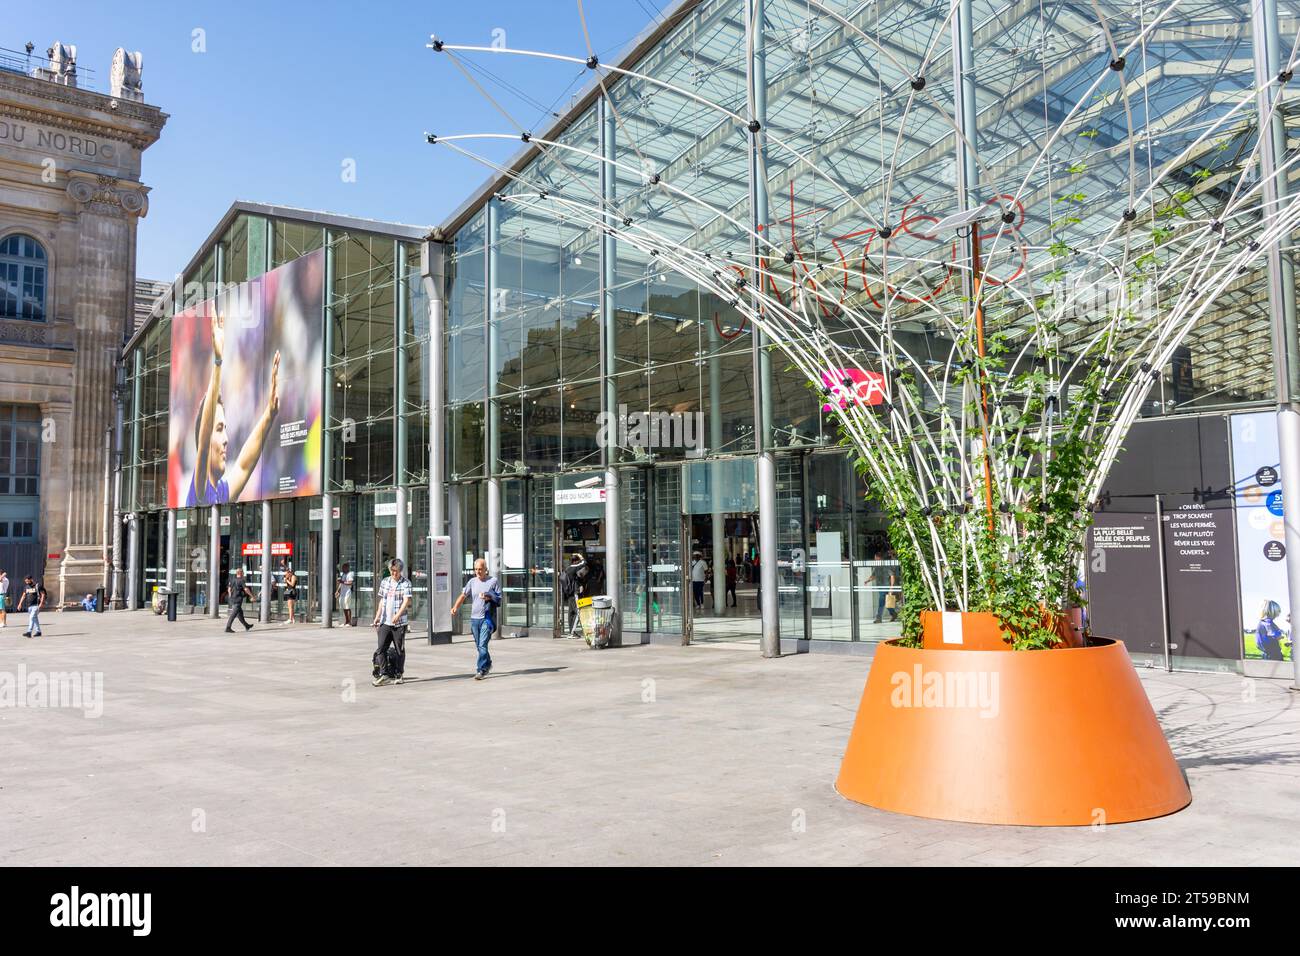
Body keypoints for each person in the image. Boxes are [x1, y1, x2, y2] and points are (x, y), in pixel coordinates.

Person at [187, 310, 281, 506]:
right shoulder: (200, 490)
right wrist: (218, 362)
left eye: (225, 429)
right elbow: (204, 444)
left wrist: (269, 414)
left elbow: (244, 466)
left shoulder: (221, 491)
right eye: (220, 429)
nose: (226, 439)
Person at [451, 558, 502, 680]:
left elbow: (499, 598)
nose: (478, 572)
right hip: (474, 619)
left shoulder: (493, 581)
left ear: (486, 569)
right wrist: (455, 607)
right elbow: (463, 595)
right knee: (479, 646)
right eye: (476, 569)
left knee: (482, 645)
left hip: (487, 618)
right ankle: (488, 662)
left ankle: (481, 670)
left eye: (480, 569)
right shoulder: (472, 582)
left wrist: (489, 597)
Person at [372, 558, 412, 686]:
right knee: (380, 649)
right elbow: (382, 601)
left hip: (399, 623)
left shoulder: (405, 583)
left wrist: (398, 615)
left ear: (401, 571)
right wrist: (377, 617)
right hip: (385, 621)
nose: (394, 573)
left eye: (397, 571)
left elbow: (406, 601)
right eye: (392, 570)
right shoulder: (385, 582)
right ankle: (384, 674)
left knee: (399, 649)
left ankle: (399, 674)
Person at [561, 553, 588, 637]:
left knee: (571, 612)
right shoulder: (573, 567)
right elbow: (584, 563)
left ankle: (571, 631)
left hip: (569, 594)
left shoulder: (568, 568)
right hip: (574, 593)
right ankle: (572, 632)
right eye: (578, 561)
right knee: (578, 611)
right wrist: (581, 556)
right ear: (575, 561)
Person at [225, 567, 254, 633]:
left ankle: (247, 626)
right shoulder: (241, 580)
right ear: (240, 573)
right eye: (243, 572)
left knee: (240, 614)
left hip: (233, 599)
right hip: (238, 600)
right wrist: (252, 596)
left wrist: (230, 596)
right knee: (233, 614)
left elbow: (229, 589)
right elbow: (246, 589)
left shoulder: (232, 580)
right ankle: (228, 627)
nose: (243, 574)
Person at [336, 562, 355, 626]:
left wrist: (342, 581)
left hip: (347, 593)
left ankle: (349, 622)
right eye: (342, 568)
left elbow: (350, 583)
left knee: (347, 607)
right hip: (342, 593)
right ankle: (346, 621)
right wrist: (338, 591)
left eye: (344, 567)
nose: (343, 569)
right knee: (344, 607)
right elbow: (341, 584)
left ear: (347, 568)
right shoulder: (343, 574)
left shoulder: (350, 574)